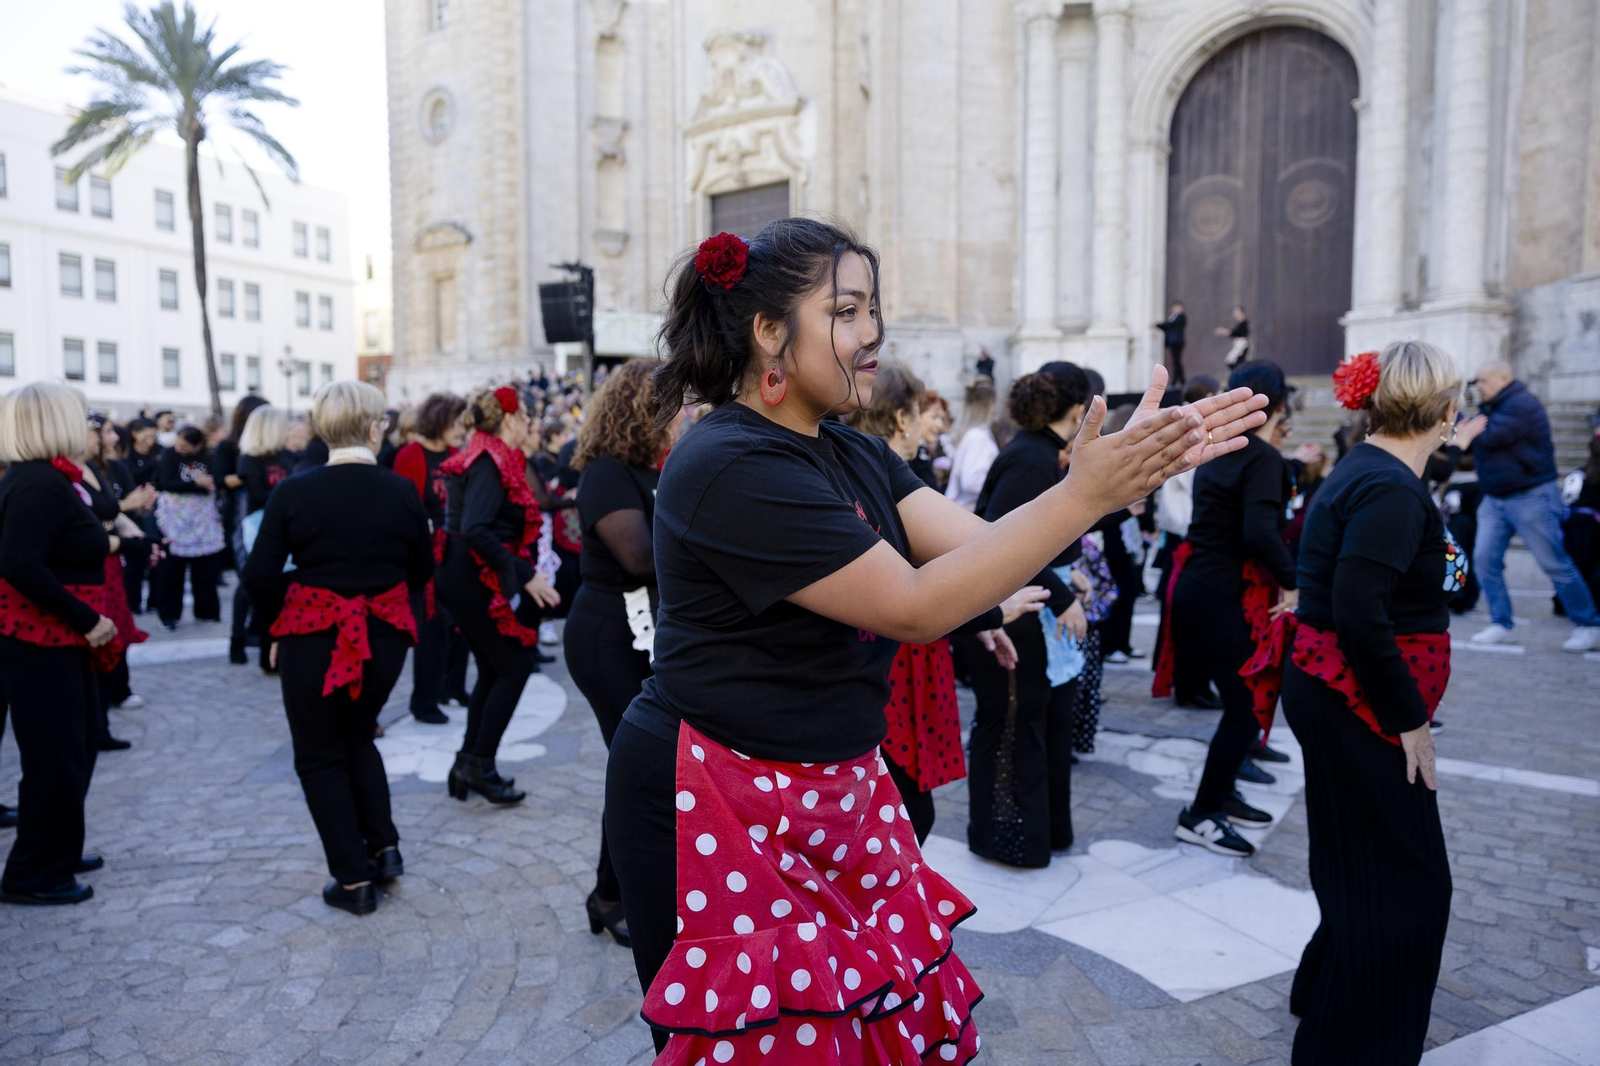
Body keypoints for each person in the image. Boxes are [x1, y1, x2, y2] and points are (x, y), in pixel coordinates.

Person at [603, 219, 1267, 1061]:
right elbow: (914, 605)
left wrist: (1112, 475)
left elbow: (969, 541)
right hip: (717, 795)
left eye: (873, 308)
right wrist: (1083, 499)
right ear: (768, 330)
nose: (873, 331)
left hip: (833, 788)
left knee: (869, 1031)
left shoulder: (846, 448)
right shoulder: (728, 460)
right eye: (845, 311)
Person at [1253, 342, 1462, 1065]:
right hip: (1357, 696)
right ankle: (1353, 1044)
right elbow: (1359, 608)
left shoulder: (1373, 470)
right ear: (1443, 409)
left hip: (1336, 689)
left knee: (1358, 863)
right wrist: (1411, 722)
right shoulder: (1388, 487)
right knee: (1412, 884)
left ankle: (1327, 999)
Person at [243, 381, 434, 916]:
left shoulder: (293, 491)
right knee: (358, 738)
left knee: (321, 754)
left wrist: (279, 624)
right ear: (375, 429)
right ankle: (384, 848)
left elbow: (257, 575)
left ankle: (353, 881)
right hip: (385, 637)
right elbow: (421, 570)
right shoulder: (401, 492)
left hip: (312, 636)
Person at [563, 362, 675, 947]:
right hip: (605, 634)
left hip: (638, 632)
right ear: (639, 408)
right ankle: (611, 896)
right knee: (633, 766)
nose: (678, 414)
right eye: (670, 404)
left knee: (635, 766)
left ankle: (610, 893)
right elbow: (637, 556)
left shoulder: (644, 469)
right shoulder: (606, 474)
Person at [1166, 362, 1298, 858]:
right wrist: (1294, 583)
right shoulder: (1260, 457)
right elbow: (1259, 533)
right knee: (1245, 708)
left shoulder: (1222, 453)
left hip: (1198, 589)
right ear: (1276, 404)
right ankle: (1201, 814)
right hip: (1220, 594)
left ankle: (1222, 792)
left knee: (1242, 705)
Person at [0, 383, 118, 905]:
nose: (89, 423)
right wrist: (87, 618)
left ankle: (60, 850)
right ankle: (32, 872)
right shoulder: (37, 483)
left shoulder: (49, 478)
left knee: (80, 742)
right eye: (79, 413)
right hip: (38, 638)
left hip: (54, 636)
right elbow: (19, 563)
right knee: (54, 756)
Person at [437, 387, 561, 805]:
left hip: (466, 572)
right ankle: (479, 764)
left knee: (495, 668)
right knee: (514, 666)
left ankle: (468, 762)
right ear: (508, 419)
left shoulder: (488, 452)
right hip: (469, 574)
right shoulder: (489, 459)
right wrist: (525, 575)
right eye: (525, 415)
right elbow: (475, 527)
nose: (529, 423)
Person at [1461, 361, 1600, 651]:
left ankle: (1588, 625)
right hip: (1495, 497)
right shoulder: (1494, 405)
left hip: (1531, 496)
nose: (1477, 386)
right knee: (1485, 560)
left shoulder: (1522, 404)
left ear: (1504, 378)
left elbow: (1489, 437)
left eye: (1482, 381)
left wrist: (1458, 422)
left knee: (1555, 563)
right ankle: (1501, 623)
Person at [393, 393, 470, 724]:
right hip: (426, 555)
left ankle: (453, 686)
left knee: (461, 624)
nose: (462, 429)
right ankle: (424, 700)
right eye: (456, 423)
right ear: (440, 421)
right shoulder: (410, 456)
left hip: (456, 552)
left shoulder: (456, 454)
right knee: (432, 628)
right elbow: (405, 511)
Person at [1153, 376, 1222, 709]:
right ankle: (1187, 683)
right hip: (1185, 536)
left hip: (1187, 535)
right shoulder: (1188, 431)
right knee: (1182, 614)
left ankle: (1189, 681)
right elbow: (1190, 479)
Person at [83, 414, 151, 743]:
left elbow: (111, 514)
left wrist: (138, 537)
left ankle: (103, 719)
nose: (110, 437)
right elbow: (94, 522)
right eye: (105, 431)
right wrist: (125, 532)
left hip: (108, 561)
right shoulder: (72, 473)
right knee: (101, 635)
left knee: (115, 632)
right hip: (93, 561)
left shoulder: (100, 469)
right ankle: (99, 722)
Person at [230, 406, 294, 668]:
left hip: (284, 524)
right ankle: (237, 639)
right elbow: (258, 496)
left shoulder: (286, 456)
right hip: (258, 528)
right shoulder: (249, 460)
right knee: (252, 584)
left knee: (281, 587)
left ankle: (272, 655)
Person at [152, 425, 226, 630]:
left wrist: (210, 483)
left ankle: (207, 611)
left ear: (197, 445)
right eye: (178, 444)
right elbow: (166, 482)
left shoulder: (208, 456)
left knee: (205, 566)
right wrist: (196, 484)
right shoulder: (168, 455)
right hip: (176, 515)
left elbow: (217, 479)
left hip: (202, 515)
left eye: (185, 446)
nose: (179, 449)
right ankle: (169, 613)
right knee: (173, 568)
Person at [944, 376, 1011, 511]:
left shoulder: (974, 433)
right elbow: (971, 481)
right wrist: (1000, 486)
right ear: (992, 402)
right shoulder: (977, 436)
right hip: (965, 513)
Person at [1154, 301, 1188, 384]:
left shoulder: (1181, 317)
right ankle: (1180, 379)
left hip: (1177, 342)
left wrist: (1158, 324)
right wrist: (1158, 326)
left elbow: (1169, 325)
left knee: (1177, 361)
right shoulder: (1173, 317)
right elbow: (1167, 327)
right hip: (1172, 342)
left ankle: (1178, 380)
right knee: (1175, 361)